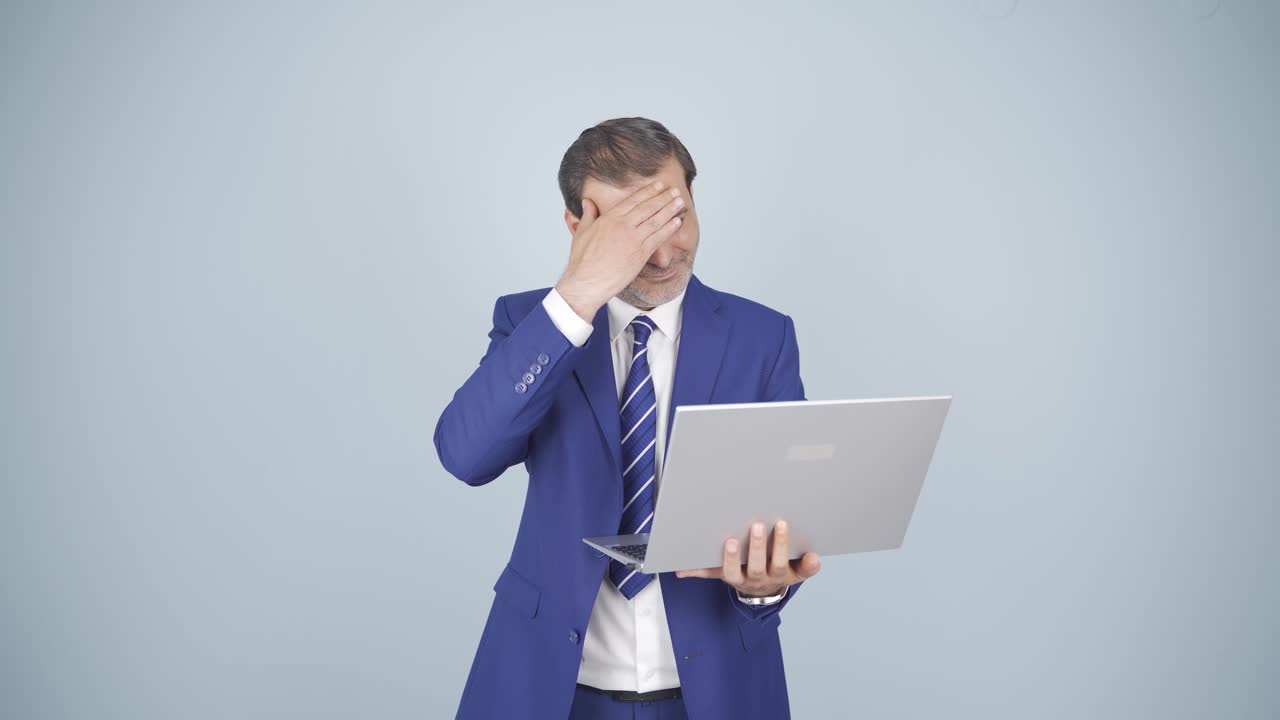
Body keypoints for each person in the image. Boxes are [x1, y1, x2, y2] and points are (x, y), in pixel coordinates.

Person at [434, 117, 821, 719]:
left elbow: (785, 518)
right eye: (634, 231)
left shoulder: (762, 337)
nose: (663, 253)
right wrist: (576, 296)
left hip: (716, 692)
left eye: (675, 217)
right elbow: (466, 455)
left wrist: (765, 588)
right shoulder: (530, 325)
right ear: (579, 227)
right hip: (551, 692)